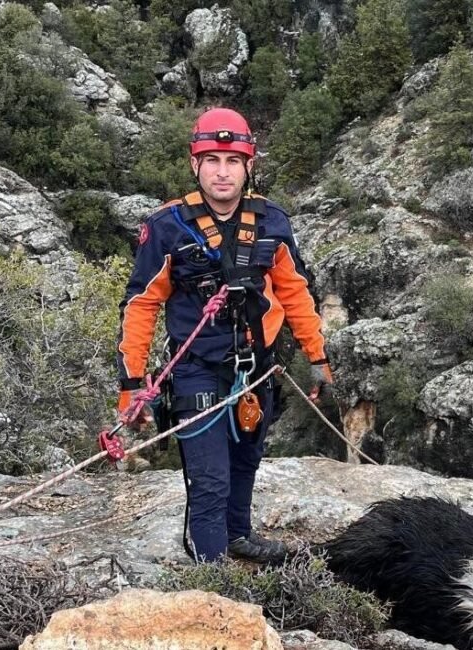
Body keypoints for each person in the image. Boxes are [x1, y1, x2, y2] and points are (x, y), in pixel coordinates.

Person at [115, 107, 333, 564]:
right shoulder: (167, 227)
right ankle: (210, 570)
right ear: (195, 164)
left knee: (245, 461)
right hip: (197, 372)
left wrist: (317, 356)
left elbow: (295, 292)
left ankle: (238, 535)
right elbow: (142, 304)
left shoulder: (272, 222)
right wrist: (131, 384)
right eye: (212, 160)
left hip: (257, 369)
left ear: (248, 165)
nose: (222, 171)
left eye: (233, 160)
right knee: (209, 478)